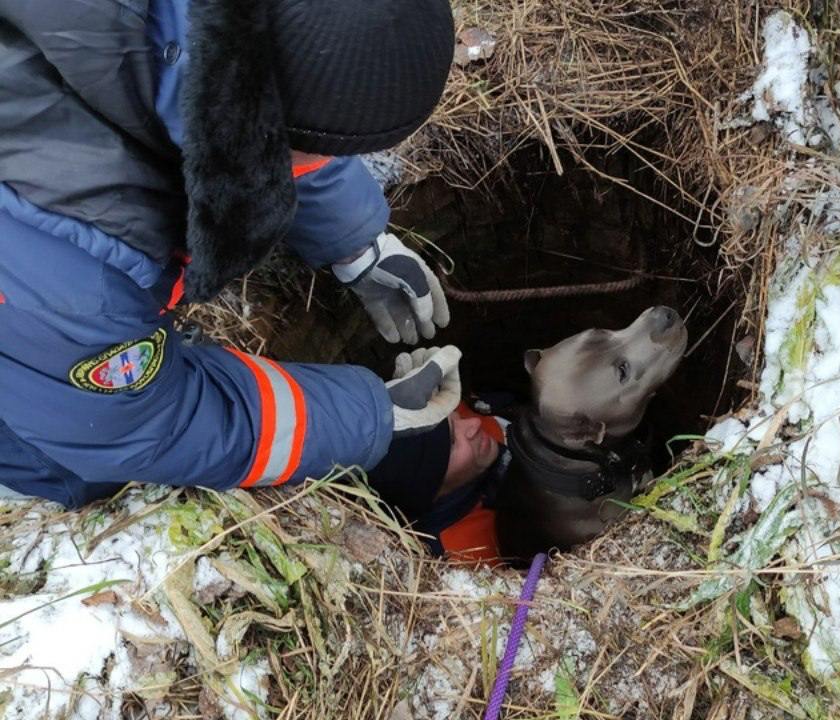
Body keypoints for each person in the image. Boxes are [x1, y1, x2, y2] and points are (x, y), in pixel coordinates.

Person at [0, 0, 462, 507]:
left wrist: (358, 244)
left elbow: (251, 110)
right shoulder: (79, 276)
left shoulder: (208, 23)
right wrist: (370, 416)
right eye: (318, 149)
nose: (329, 162)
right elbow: (139, 428)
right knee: (64, 469)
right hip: (35, 380)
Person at [367, 403, 508, 565]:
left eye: (454, 416)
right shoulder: (466, 556)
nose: (474, 422)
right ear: (430, 490)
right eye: (453, 442)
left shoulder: (477, 429)